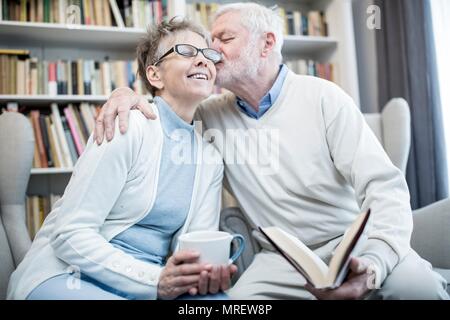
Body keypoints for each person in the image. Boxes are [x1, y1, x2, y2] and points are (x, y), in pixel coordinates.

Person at [94, 3, 449, 300]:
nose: (211, 51)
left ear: (266, 44)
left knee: (417, 290)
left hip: (352, 246)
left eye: (224, 39)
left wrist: (375, 261)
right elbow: (167, 109)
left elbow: (385, 190)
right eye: (208, 42)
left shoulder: (324, 97)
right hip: (280, 261)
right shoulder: (209, 113)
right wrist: (126, 95)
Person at [7, 18, 237, 300]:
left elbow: (195, 247)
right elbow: (69, 235)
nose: (203, 61)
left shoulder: (210, 158)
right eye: (187, 51)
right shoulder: (125, 123)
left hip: (154, 282)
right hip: (70, 274)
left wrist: (201, 275)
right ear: (155, 76)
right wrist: (155, 281)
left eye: (208, 55)